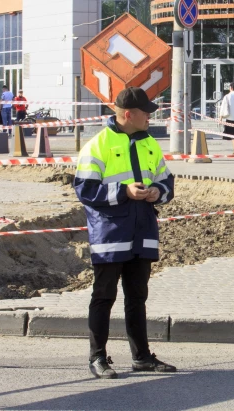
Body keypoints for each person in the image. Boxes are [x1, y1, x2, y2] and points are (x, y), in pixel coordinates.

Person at [74, 86, 176, 379]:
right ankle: (97, 358)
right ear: (128, 114)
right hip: (110, 232)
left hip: (142, 229)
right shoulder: (98, 145)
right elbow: (85, 188)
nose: (150, 117)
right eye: (146, 112)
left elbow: (167, 180)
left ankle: (141, 357)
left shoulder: (150, 144)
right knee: (103, 296)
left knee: (137, 297)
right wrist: (124, 191)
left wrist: (158, 191)